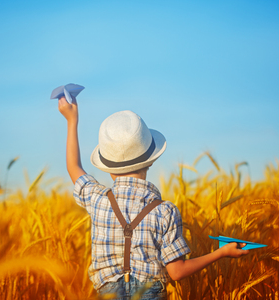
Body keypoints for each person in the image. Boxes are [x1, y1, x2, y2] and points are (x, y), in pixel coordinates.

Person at [58, 96, 249, 299]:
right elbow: (177, 272)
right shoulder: (165, 211)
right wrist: (221, 252)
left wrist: (71, 120)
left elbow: (73, 167)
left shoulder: (97, 199)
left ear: (109, 169)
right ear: (150, 162)